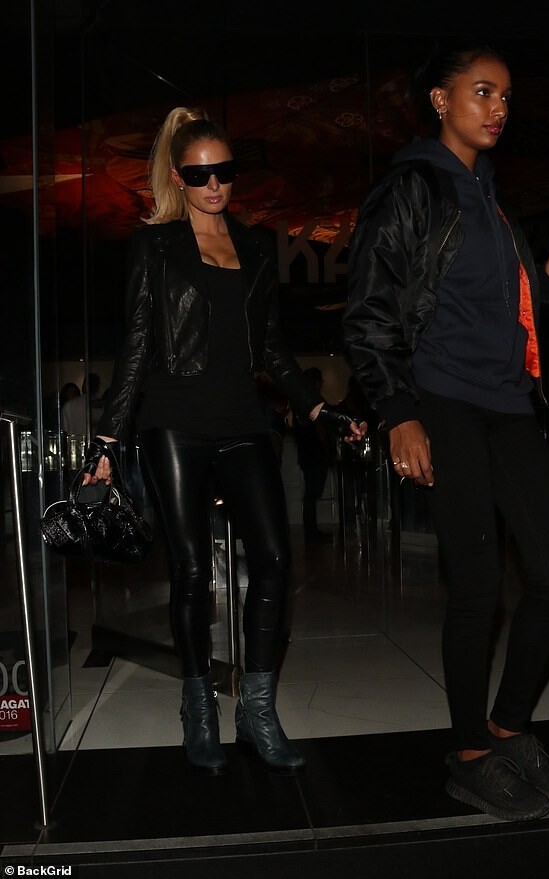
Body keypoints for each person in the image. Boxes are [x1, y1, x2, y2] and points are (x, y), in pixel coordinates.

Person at [343, 43, 549, 821]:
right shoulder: (412, 187)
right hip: (445, 401)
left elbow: (499, 312)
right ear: (440, 101)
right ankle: (470, 752)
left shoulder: (491, 196)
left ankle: (508, 726)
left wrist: (546, 280)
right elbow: (370, 310)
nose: (498, 108)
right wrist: (399, 411)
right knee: (477, 586)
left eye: (506, 96)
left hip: (508, 405)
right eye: (483, 92)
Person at [82, 107, 365, 775]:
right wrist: (107, 440)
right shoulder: (154, 246)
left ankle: (257, 710)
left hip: (243, 422)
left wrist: (318, 409)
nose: (214, 185)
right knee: (189, 569)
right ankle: (198, 705)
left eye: (224, 172)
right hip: (173, 421)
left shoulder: (257, 247)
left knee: (273, 560)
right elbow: (136, 345)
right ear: (179, 177)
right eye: (199, 174)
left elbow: (273, 350)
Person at [293, 367, 334, 543]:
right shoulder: (313, 402)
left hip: (306, 453)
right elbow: (320, 429)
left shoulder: (299, 401)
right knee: (312, 494)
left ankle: (311, 530)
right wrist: (327, 449)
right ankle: (311, 531)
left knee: (310, 494)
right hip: (315, 453)